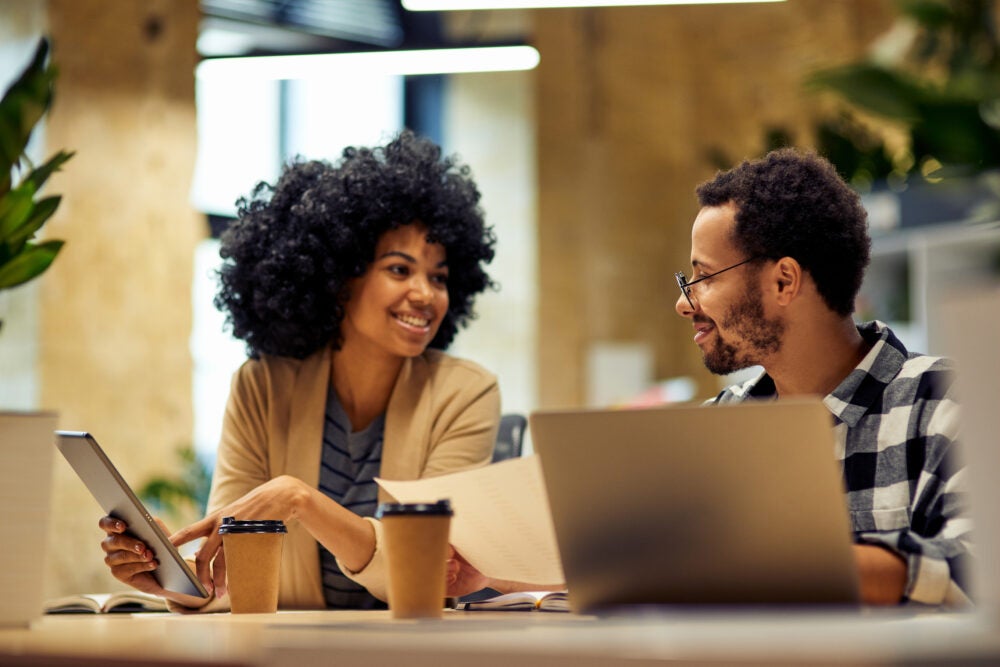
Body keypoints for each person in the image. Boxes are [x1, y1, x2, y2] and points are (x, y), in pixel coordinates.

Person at [98, 130, 501, 611]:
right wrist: (170, 575)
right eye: (400, 269)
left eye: (438, 277)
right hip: (284, 649)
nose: (425, 294)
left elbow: (430, 572)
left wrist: (301, 500)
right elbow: (233, 573)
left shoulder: (466, 393)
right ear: (338, 278)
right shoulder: (263, 385)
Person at [674, 148, 970, 607]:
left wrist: (767, 564)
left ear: (784, 281)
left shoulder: (947, 403)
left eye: (705, 277)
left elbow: (977, 568)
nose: (685, 303)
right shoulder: (716, 427)